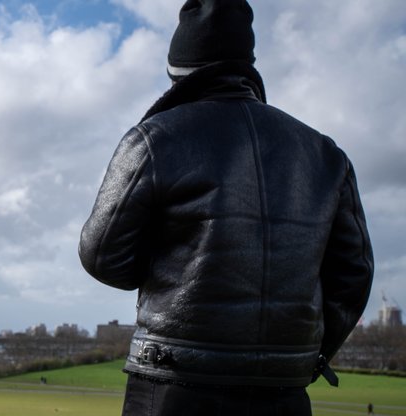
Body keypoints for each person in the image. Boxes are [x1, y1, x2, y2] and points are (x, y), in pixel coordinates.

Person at [78, 0, 374, 415]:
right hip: (282, 390)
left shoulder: (154, 139)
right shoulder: (326, 155)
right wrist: (298, 354)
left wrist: (164, 268)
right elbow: (354, 276)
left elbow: (102, 257)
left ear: (177, 72)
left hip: (174, 382)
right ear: (247, 66)